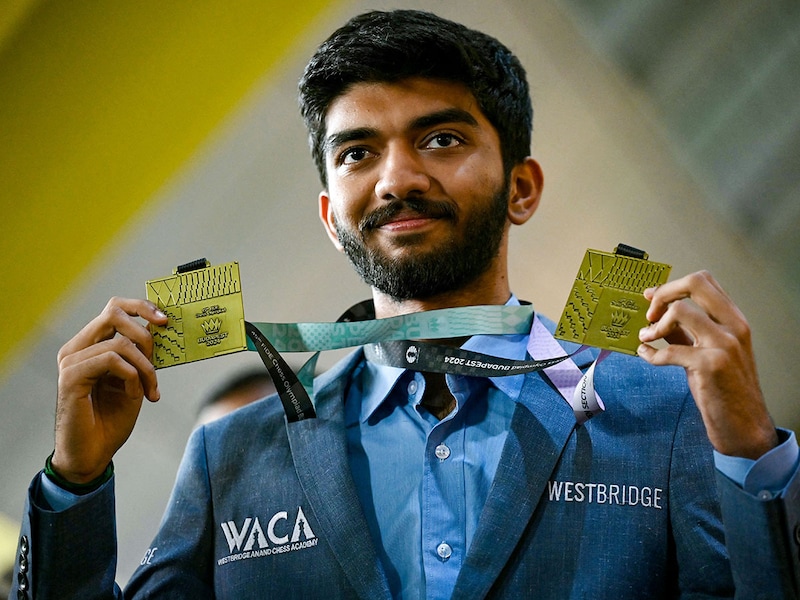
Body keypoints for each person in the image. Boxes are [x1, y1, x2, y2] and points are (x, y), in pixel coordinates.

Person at [9, 9, 800, 599]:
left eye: (442, 139)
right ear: (330, 215)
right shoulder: (232, 458)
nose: (396, 179)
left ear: (521, 187)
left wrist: (749, 450)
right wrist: (75, 483)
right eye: (357, 153)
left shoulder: (661, 416)